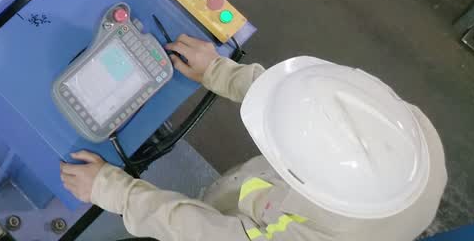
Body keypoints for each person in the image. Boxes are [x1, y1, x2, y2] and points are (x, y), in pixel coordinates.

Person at [60, 35, 446, 240]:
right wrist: (219, 71)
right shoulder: (413, 136)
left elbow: (199, 233)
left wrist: (118, 193)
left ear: (304, 173)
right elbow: (306, 101)